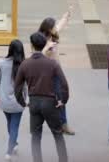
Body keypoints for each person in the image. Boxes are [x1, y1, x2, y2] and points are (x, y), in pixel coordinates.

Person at [15, 32, 69, 162]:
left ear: (32, 46)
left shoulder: (25, 64)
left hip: (34, 102)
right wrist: (63, 100)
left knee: (35, 136)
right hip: (50, 102)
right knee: (57, 134)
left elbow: (17, 87)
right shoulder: (52, 63)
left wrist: (23, 102)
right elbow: (64, 84)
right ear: (44, 44)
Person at [38, 5, 74, 135]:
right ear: (48, 29)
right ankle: (40, 122)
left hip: (57, 71)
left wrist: (67, 14)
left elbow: (61, 25)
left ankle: (63, 124)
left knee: (61, 97)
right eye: (53, 27)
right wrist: (46, 48)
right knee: (46, 99)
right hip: (46, 74)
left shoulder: (54, 35)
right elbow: (36, 56)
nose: (55, 28)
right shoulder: (41, 40)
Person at [0, 40, 27, 161]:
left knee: (10, 123)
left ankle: (14, 143)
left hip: (5, 101)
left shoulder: (1, 63)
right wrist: (25, 99)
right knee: (14, 126)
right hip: (18, 101)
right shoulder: (24, 64)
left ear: (10, 49)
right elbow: (25, 86)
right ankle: (9, 151)